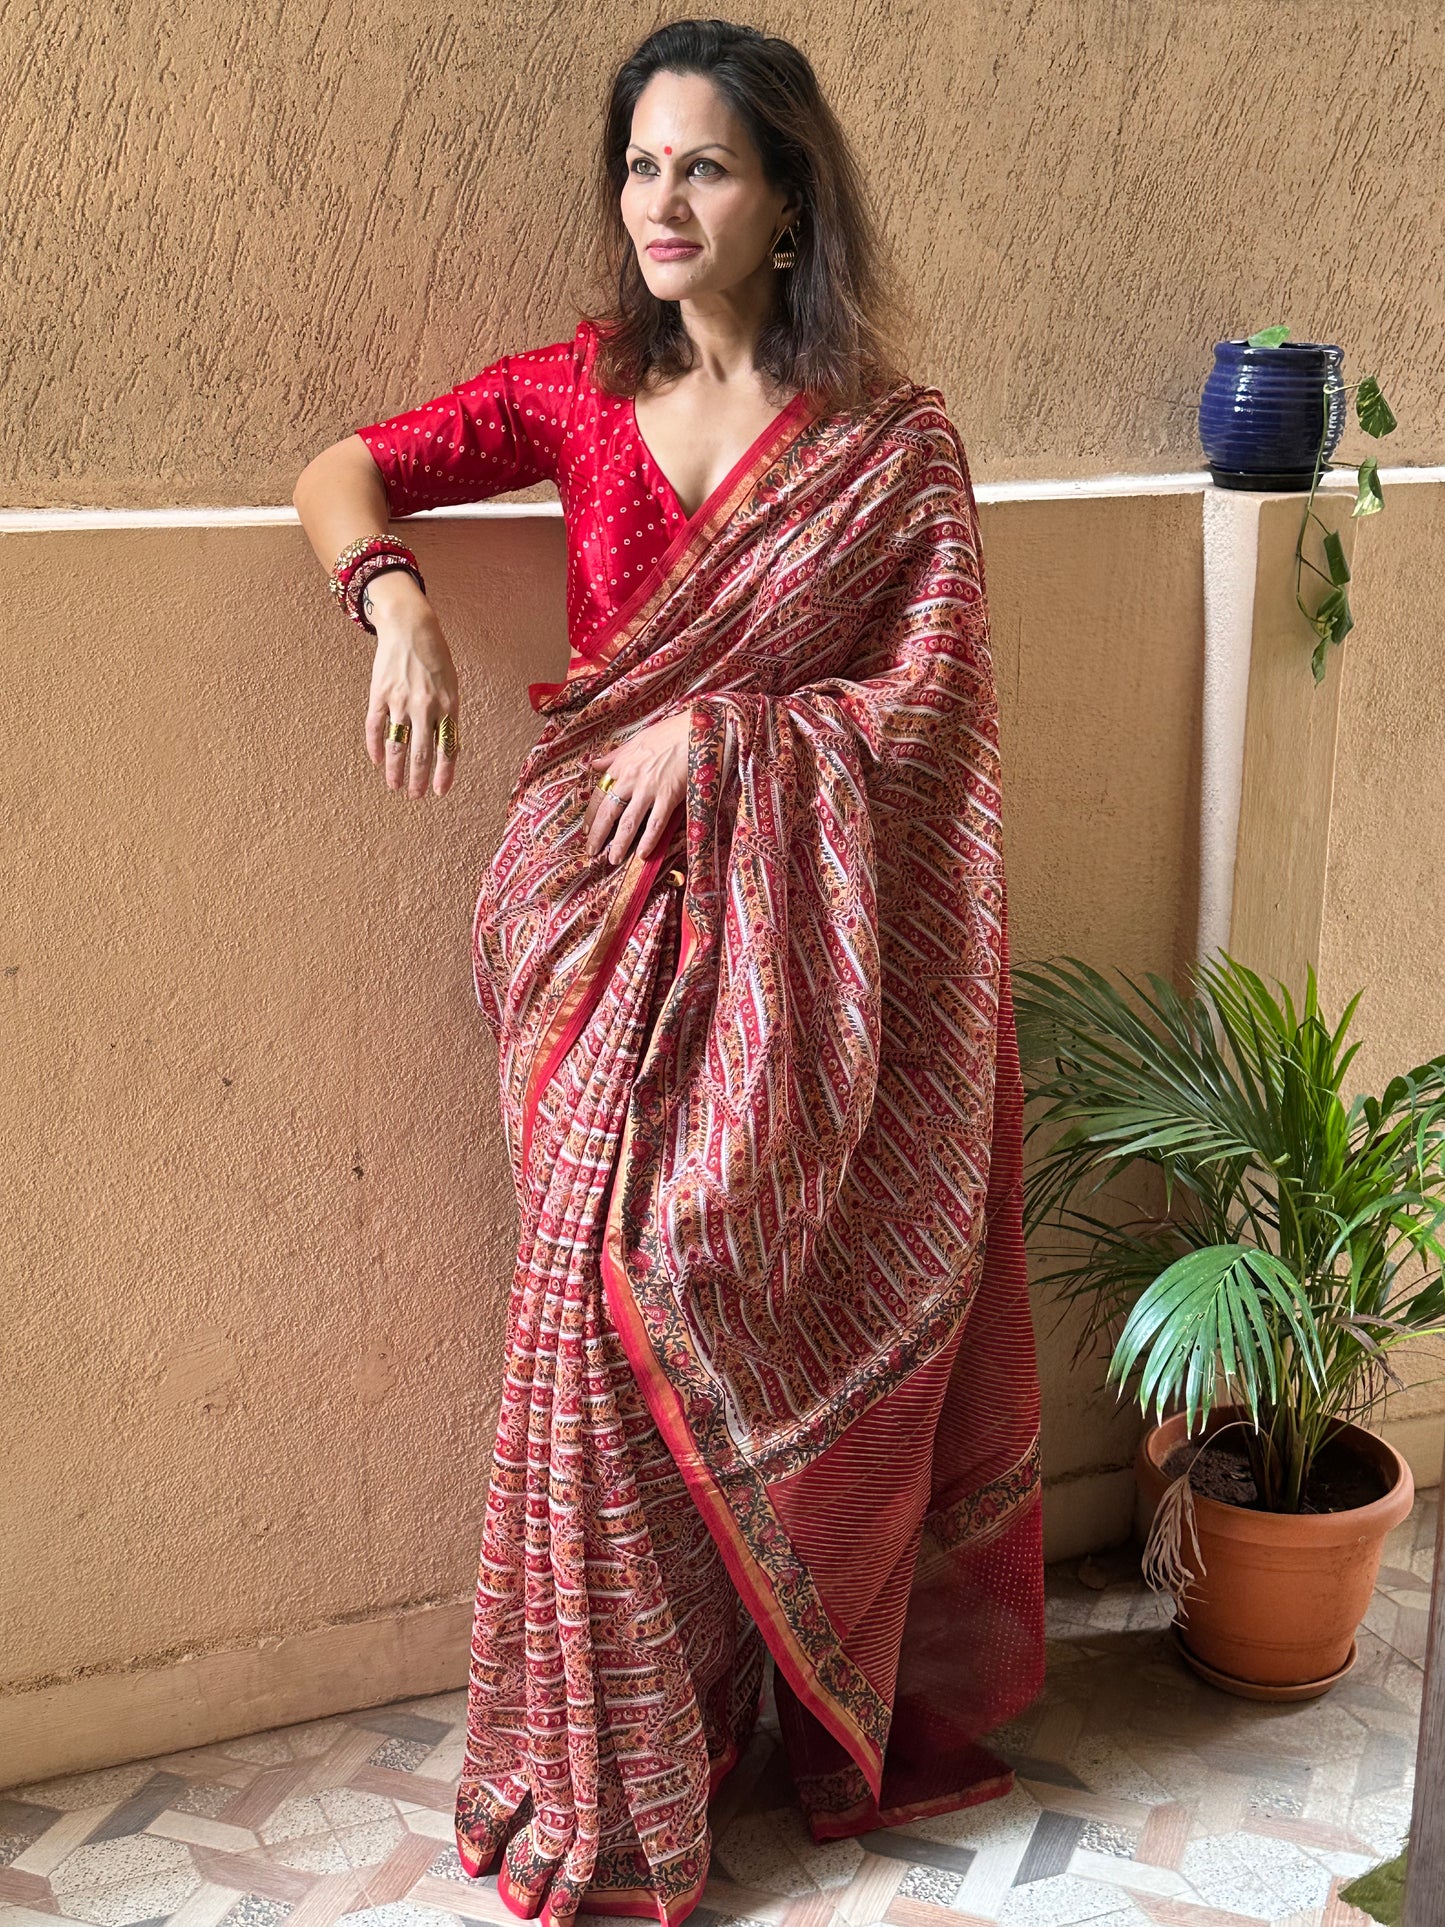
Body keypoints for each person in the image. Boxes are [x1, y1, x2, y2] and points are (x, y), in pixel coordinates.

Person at [292, 19, 1045, 1927]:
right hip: (583, 932)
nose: (659, 202)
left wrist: (728, 740)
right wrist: (391, 605)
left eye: (702, 168)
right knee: (580, 1319)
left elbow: (930, 712)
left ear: (790, 202)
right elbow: (346, 469)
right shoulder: (573, 393)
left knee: (682, 1290)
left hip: (793, 960)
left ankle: (714, 1716)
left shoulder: (890, 447)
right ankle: (612, 1757)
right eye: (639, 165)